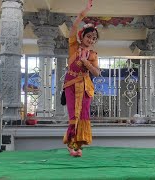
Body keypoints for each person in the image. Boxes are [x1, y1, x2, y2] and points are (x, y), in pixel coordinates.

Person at [62, 0, 100, 157]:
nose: (91, 40)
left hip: (85, 88)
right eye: (89, 36)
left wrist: (86, 63)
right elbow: (73, 27)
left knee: (83, 115)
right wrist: (84, 13)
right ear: (82, 36)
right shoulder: (73, 46)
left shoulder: (93, 55)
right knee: (73, 115)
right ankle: (71, 146)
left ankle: (78, 146)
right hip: (71, 84)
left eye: (93, 38)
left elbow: (97, 73)